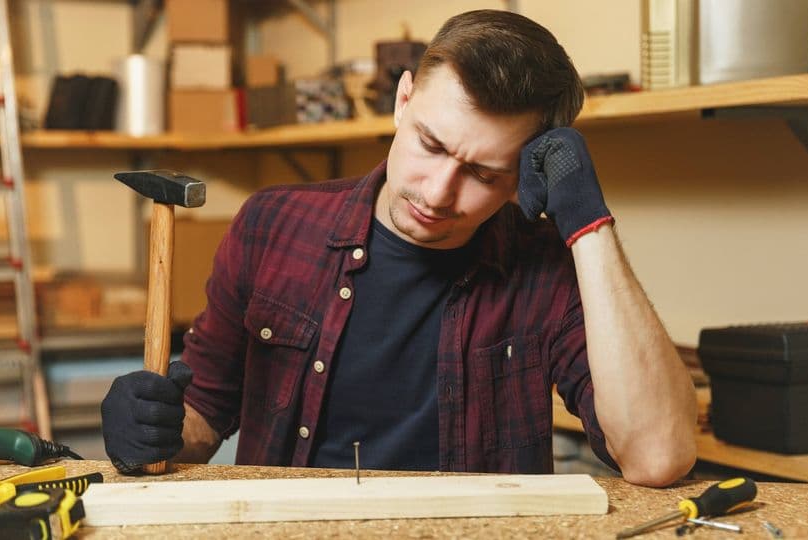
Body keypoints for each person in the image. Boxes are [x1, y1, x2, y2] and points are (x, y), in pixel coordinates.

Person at [101, 9, 697, 487]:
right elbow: (204, 417)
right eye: (430, 145)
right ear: (403, 100)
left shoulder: (543, 266)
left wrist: (587, 224)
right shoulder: (272, 225)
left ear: (526, 171)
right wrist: (155, 428)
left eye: (485, 175)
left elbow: (657, 457)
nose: (438, 195)